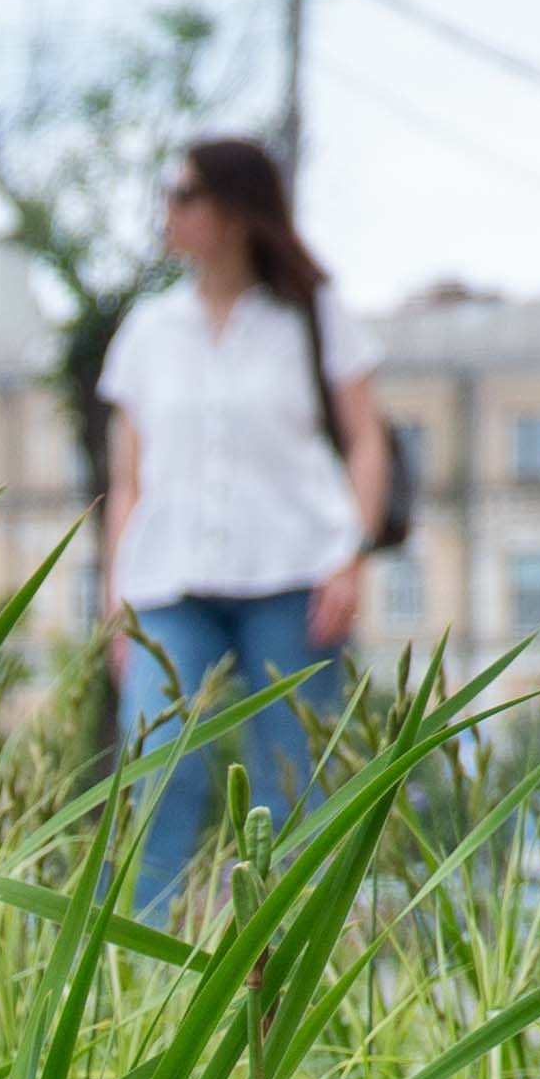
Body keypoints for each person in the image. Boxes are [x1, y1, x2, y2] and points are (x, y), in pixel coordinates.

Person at [98, 135, 394, 918]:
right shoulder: (148, 330)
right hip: (169, 583)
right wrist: (114, 598)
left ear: (232, 212)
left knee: (291, 782)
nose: (168, 209)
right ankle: (141, 971)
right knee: (160, 770)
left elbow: (368, 439)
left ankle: (291, 968)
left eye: (184, 194)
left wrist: (352, 557)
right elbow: (126, 477)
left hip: (294, 576)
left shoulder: (313, 315)